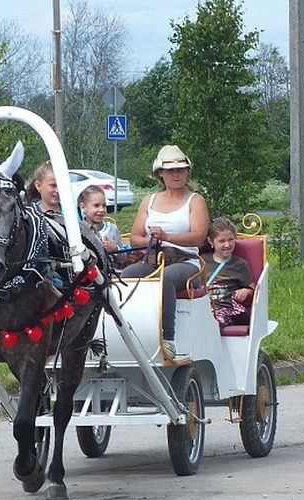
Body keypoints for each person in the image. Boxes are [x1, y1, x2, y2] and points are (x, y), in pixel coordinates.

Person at [120, 145, 209, 360]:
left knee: (165, 278)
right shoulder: (148, 201)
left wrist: (167, 237)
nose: (176, 174)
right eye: (170, 170)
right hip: (153, 258)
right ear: (160, 173)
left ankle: (167, 338)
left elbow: (198, 237)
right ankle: (128, 333)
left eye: (181, 169)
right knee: (126, 277)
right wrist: (153, 239)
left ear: (187, 172)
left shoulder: (195, 201)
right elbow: (135, 238)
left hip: (186, 263)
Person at [200, 217, 255, 329]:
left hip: (228, 309)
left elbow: (253, 291)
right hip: (203, 309)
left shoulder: (239, 264)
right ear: (211, 241)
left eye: (231, 240)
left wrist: (245, 292)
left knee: (216, 321)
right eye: (221, 241)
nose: (227, 245)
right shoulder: (201, 261)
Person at [78, 184, 125, 262]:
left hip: (110, 273)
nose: (102, 209)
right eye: (96, 205)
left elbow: (123, 258)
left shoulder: (111, 228)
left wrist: (115, 249)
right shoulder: (78, 231)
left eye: (104, 205)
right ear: (83, 207)